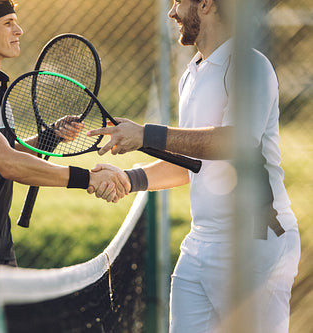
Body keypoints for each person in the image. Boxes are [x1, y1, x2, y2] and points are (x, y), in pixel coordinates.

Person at [86, 0, 300, 332]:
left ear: (205, 5)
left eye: (178, 2)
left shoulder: (250, 66)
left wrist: (146, 134)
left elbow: (237, 142)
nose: (172, 13)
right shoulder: (191, 74)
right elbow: (193, 164)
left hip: (256, 243)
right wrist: (130, 179)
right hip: (200, 244)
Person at [0, 1, 130, 331]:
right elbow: (7, 163)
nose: (19, 30)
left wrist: (50, 137)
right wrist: (86, 179)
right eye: (8, 23)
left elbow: (11, 147)